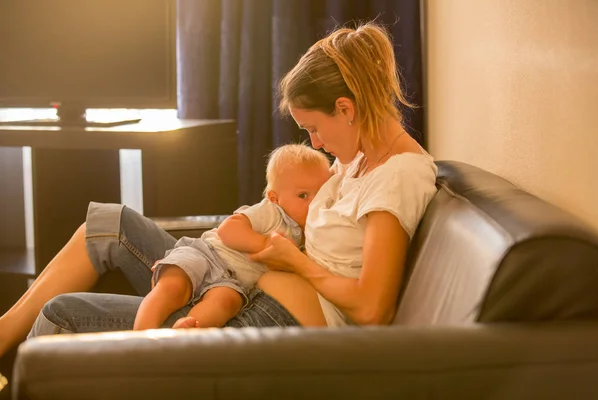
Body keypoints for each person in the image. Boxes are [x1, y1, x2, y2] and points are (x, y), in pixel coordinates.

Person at [0, 21, 438, 358]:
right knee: (108, 222)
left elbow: (373, 308)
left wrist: (295, 262)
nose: (316, 144)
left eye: (314, 129)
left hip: (264, 321)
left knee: (62, 313)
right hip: (244, 285)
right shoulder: (359, 159)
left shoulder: (396, 176)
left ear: (345, 109)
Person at [134, 144, 331, 330]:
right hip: (207, 254)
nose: (314, 203)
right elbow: (228, 230)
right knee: (173, 287)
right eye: (303, 196)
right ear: (274, 198)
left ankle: (188, 329)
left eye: (320, 194)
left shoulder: (309, 233)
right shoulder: (271, 212)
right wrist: (264, 243)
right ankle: (140, 337)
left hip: (231, 281)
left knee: (226, 304)